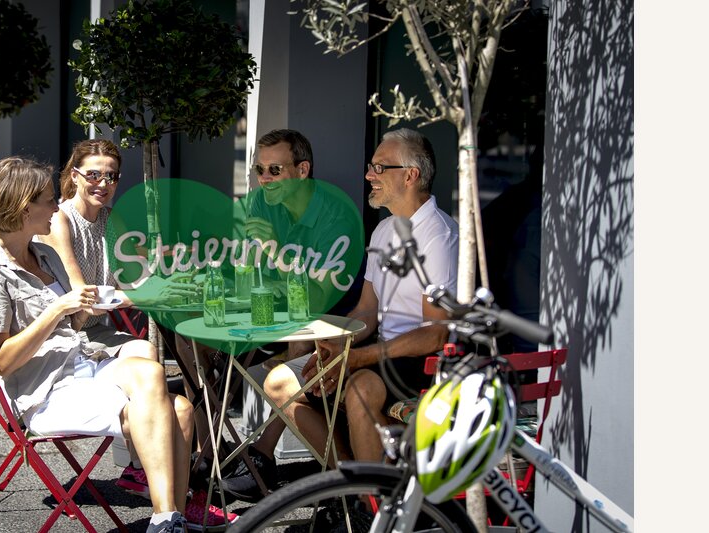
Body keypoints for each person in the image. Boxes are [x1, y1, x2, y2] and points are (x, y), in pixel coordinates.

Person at [0, 156, 197, 533]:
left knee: (152, 371)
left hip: (81, 364)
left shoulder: (44, 255)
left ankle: (169, 518)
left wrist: (145, 291)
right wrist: (55, 310)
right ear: (24, 209)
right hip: (44, 391)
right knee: (179, 410)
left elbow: (81, 308)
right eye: (49, 200)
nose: (57, 206)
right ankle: (169, 518)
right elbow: (0, 362)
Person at [223, 128, 459, 508]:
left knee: (361, 388)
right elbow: (367, 309)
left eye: (379, 167)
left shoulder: (440, 236)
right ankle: (354, 491)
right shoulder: (385, 229)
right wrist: (335, 342)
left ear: (410, 175)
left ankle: (369, 506)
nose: (369, 175)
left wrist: (356, 356)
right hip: (379, 353)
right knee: (282, 381)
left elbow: (434, 335)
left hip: (419, 364)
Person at [37, 140, 236, 529]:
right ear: (73, 174)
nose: (103, 182)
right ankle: (153, 475)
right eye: (93, 173)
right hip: (69, 335)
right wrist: (147, 293)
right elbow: (84, 301)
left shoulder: (113, 220)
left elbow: (142, 275)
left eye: (111, 175)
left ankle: (154, 480)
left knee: (152, 357)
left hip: (102, 333)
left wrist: (176, 282)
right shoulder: (59, 220)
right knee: (148, 357)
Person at [219, 129, 365, 501]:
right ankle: (207, 455)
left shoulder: (335, 216)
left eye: (274, 170)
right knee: (196, 343)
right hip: (279, 310)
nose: (264, 180)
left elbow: (316, 298)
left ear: (302, 170)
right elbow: (245, 271)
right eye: (260, 171)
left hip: (335, 316)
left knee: (302, 337)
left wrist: (271, 249)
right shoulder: (261, 203)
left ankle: (261, 457)